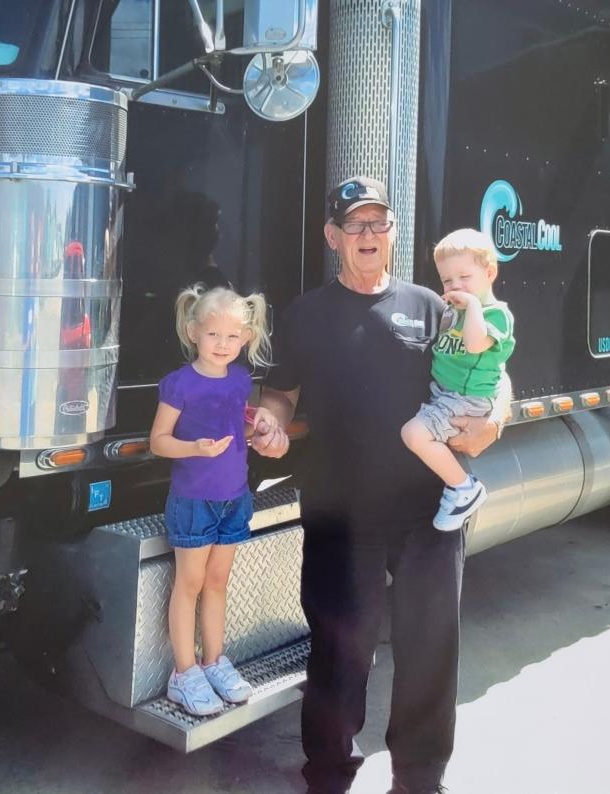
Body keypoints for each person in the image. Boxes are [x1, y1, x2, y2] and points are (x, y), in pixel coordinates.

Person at [250, 176, 509, 794]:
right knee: (341, 651)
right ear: (332, 236)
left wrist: (498, 416)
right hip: (340, 511)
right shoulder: (306, 313)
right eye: (355, 225)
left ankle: (420, 778)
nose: (368, 235)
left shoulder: (431, 305)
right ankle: (329, 774)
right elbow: (281, 394)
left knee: (429, 653)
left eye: (379, 223)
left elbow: (491, 369)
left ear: (394, 233)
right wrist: (271, 425)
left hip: (430, 512)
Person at [149, 283, 278, 716]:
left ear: (245, 338)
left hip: (234, 497)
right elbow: (159, 442)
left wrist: (256, 422)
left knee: (218, 583)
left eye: (232, 336)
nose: (222, 345)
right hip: (193, 500)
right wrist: (194, 449)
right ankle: (183, 674)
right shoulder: (179, 384)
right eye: (212, 335)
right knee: (189, 584)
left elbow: (234, 425)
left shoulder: (241, 380)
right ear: (192, 332)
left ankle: (214, 662)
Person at [401, 229, 515, 531]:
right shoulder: (456, 311)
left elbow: (477, 345)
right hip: (445, 394)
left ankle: (464, 489)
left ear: (489, 272)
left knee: (413, 434)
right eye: (447, 280)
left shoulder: (495, 315)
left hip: (466, 399)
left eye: (464, 277)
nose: (455, 286)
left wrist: (473, 307)